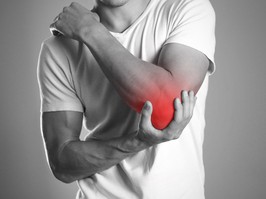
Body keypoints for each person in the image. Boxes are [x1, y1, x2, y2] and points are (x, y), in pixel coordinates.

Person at [37, 0, 215, 198]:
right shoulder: (58, 48)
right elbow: (62, 163)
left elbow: (166, 109)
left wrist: (90, 31)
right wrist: (137, 142)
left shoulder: (186, 8)